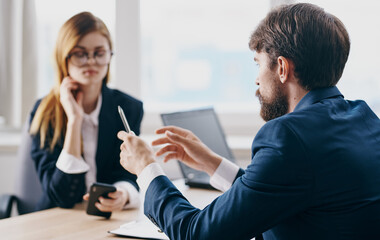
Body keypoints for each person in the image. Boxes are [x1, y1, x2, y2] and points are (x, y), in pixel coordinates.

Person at [117, 3, 380, 240]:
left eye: (258, 64)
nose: (256, 79)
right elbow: (282, 191)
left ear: (281, 68)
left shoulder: (288, 137)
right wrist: (212, 163)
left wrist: (146, 168)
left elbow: (196, 234)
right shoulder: (364, 119)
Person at [29, 12, 143, 212]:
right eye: (80, 54)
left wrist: (123, 194)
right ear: (63, 58)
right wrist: (75, 121)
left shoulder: (128, 108)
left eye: (99, 53)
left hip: (105, 219)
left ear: (109, 56)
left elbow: (128, 173)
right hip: (56, 220)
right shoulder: (44, 112)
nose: (91, 61)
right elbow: (59, 196)